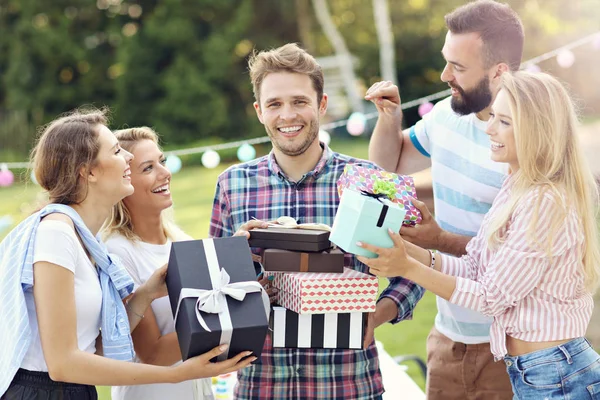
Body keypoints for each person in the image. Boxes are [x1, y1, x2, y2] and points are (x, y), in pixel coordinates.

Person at [358, 70, 600, 399]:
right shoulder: (518, 185)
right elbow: (478, 267)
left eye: (504, 122)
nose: (488, 129)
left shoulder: (546, 202)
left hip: (558, 375)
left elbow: (489, 297)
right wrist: (408, 250)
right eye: (493, 118)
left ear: (536, 130)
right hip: (534, 371)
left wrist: (408, 268)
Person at [209, 43, 423, 400]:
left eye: (299, 101)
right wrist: (235, 257)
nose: (287, 115)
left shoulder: (366, 180)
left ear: (321, 105)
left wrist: (377, 317)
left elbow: (413, 269)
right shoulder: (233, 184)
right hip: (262, 386)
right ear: (259, 111)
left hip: (348, 384)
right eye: (275, 104)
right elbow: (212, 286)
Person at [0, 110, 256, 400]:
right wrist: (176, 374)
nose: (129, 159)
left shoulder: (84, 240)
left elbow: (93, 348)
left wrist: (145, 294)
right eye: (117, 151)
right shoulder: (57, 234)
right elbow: (62, 364)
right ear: (89, 171)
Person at [366, 1, 524, 397]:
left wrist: (434, 242)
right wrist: (389, 121)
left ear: (499, 71)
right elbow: (391, 163)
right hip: (447, 337)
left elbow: (519, 259)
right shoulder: (446, 117)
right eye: (446, 61)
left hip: (511, 346)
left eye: (458, 67)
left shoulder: (532, 144)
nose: (444, 75)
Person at [102, 127, 279, 400]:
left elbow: (205, 311)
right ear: (123, 181)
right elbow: (153, 353)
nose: (164, 173)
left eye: (162, 161)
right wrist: (231, 322)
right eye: (148, 168)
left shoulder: (180, 240)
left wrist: (235, 260)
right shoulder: (118, 251)